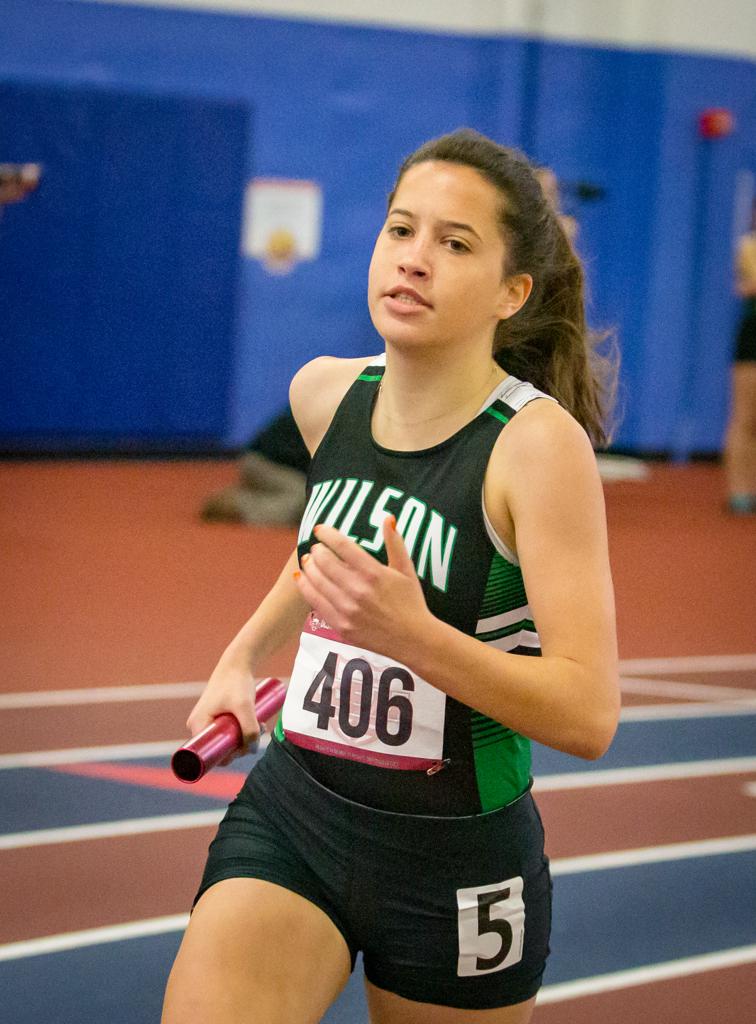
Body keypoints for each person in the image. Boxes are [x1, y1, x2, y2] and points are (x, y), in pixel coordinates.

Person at [162, 129, 620, 1024]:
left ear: (511, 291)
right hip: (295, 809)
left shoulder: (535, 450)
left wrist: (414, 637)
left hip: (456, 853)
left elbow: (588, 712)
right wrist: (243, 652)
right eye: (400, 231)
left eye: (454, 244)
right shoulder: (326, 394)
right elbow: (325, 556)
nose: (414, 261)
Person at [200, 408, 309, 526]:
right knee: (302, 500)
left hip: (286, 466)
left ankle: (254, 495)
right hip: (265, 463)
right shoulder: (321, 409)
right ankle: (236, 505)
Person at [724, 203, 756, 515]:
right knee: (745, 416)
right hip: (753, 335)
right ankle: (739, 491)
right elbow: (747, 285)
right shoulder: (748, 245)